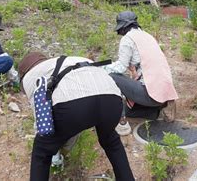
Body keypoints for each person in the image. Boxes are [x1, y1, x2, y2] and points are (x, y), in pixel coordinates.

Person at [19, 53, 134, 181]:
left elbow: (42, 121)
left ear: (24, 73)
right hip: (112, 99)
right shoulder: (70, 60)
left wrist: (53, 148)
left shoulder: (30, 76)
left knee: (42, 153)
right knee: (111, 141)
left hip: (74, 106)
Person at [105, 11, 178, 136]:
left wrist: (101, 69)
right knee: (129, 110)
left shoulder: (127, 39)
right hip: (163, 93)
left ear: (123, 27)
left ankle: (121, 123)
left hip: (149, 94)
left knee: (111, 76)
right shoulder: (147, 36)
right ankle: (153, 111)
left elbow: (121, 67)